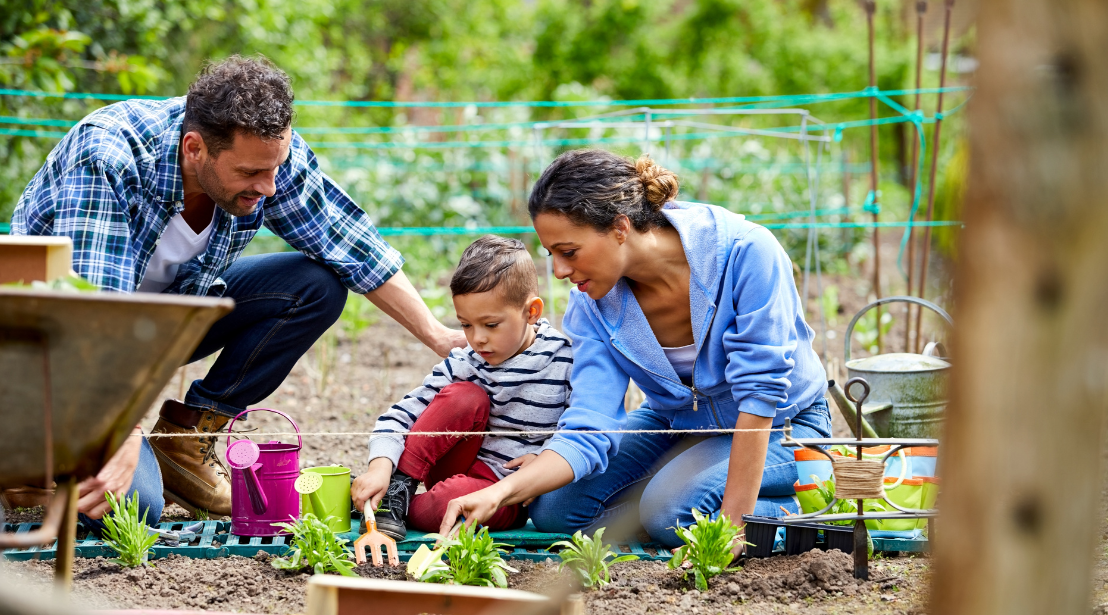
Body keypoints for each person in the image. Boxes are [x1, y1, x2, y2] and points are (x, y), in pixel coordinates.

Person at [8, 55, 465, 530]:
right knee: (134, 505)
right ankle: (32, 458)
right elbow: (89, 316)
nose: (268, 187)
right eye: (250, 174)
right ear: (195, 149)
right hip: (48, 350)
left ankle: (182, 443)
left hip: (159, 323)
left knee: (315, 286)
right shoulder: (109, 156)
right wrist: (121, 435)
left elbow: (349, 242)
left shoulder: (265, 156)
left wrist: (437, 335)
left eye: (275, 168)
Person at [437, 149, 830, 550]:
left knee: (671, 515)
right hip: (677, 423)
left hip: (785, 425)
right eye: (550, 253)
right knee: (554, 510)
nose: (558, 271)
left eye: (568, 252)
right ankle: (677, 489)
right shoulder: (592, 303)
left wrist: (733, 527)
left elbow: (760, 395)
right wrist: (501, 492)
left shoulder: (746, 253)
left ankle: (817, 504)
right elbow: (591, 420)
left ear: (620, 228)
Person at [351, 235, 573, 540]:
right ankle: (393, 489)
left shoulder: (564, 360)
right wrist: (380, 466)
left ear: (531, 312)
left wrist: (546, 457)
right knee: (464, 396)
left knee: (447, 503)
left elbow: (580, 429)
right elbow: (400, 416)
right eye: (466, 325)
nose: (477, 338)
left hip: (503, 492)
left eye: (490, 325)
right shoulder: (467, 361)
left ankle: (381, 504)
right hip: (452, 463)